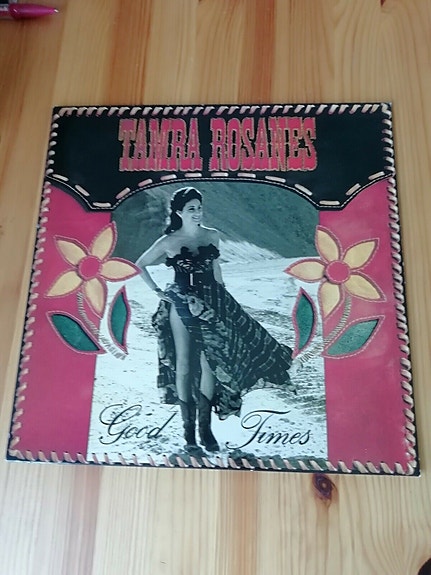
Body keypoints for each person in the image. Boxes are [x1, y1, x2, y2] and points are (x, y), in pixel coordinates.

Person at [136, 187, 296, 454]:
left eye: (199, 208)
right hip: (181, 302)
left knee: (211, 362)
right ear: (179, 212)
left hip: (214, 301)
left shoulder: (212, 235)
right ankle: (189, 433)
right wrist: (157, 291)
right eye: (191, 209)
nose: (197, 213)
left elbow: (216, 268)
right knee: (184, 363)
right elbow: (140, 264)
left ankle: (205, 429)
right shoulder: (168, 241)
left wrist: (225, 297)